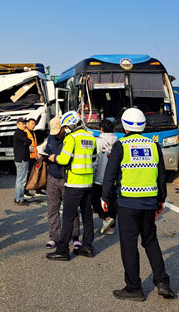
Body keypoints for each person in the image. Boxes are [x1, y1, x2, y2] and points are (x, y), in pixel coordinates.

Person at [101, 108, 174, 301]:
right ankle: (162, 282)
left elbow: (110, 174)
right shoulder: (154, 145)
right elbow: (161, 175)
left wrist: (105, 198)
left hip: (128, 203)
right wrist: (161, 200)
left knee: (129, 245)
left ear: (124, 125)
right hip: (149, 203)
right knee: (150, 241)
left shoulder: (121, 145)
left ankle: (134, 288)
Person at [46, 111, 97, 261]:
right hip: (88, 182)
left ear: (73, 124)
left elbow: (63, 159)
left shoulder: (72, 138)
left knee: (68, 217)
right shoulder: (90, 137)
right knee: (87, 216)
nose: (66, 128)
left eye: (67, 126)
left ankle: (62, 250)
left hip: (74, 182)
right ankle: (87, 246)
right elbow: (94, 158)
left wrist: (53, 157)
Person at [43, 116, 81, 251]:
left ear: (64, 127)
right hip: (52, 177)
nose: (56, 134)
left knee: (71, 210)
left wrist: (57, 159)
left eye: (58, 131)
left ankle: (75, 236)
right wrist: (45, 157)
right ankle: (54, 237)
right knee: (52, 209)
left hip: (67, 178)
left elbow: (71, 158)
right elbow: (47, 153)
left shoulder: (71, 138)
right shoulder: (51, 138)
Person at [94, 119, 118, 235]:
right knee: (112, 200)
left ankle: (106, 218)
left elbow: (95, 161)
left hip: (99, 177)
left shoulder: (98, 142)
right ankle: (111, 227)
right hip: (113, 178)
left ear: (101, 129)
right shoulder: (118, 142)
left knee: (95, 200)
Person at [12, 117, 31, 206]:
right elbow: (28, 141)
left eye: (24, 123)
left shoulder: (21, 133)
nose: (24, 125)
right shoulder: (18, 133)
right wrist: (27, 142)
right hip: (22, 159)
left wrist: (27, 142)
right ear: (18, 124)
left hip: (21, 158)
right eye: (22, 124)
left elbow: (27, 142)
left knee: (20, 179)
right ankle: (19, 199)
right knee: (21, 180)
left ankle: (19, 198)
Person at [25, 118, 44, 196]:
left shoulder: (33, 133)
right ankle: (26, 191)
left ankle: (37, 190)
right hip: (28, 156)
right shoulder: (25, 132)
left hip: (34, 156)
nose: (33, 125)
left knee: (35, 173)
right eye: (31, 124)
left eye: (34, 124)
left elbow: (34, 145)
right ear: (27, 124)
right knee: (28, 174)